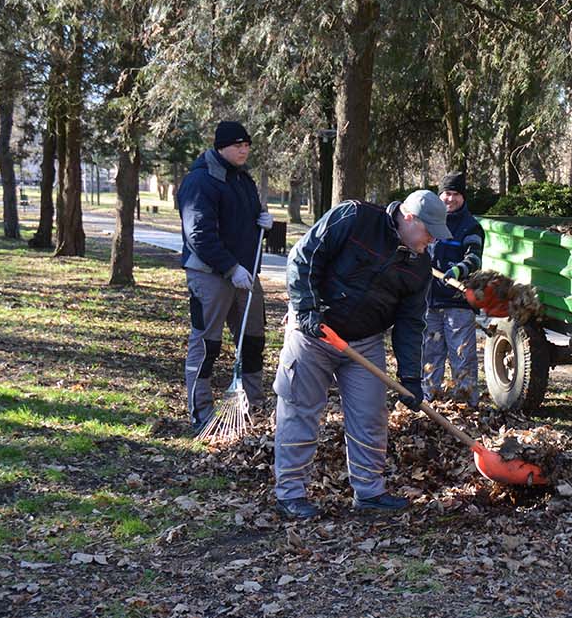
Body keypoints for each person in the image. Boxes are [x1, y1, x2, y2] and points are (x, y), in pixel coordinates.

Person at [271, 190, 451, 520]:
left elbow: (410, 323)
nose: (431, 242)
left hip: (363, 343)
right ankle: (291, 493)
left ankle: (369, 492)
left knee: (370, 417)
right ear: (409, 218)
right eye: (428, 233)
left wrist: (411, 377)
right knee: (299, 411)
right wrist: (307, 308)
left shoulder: (419, 265)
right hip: (314, 333)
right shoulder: (355, 217)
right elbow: (303, 257)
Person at [177, 120, 272, 431]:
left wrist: (263, 223)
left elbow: (245, 225)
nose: (244, 149)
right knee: (207, 344)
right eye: (237, 145)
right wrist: (231, 268)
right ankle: (200, 412)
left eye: (247, 144)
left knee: (253, 340)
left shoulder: (243, 180)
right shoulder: (200, 181)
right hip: (211, 275)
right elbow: (199, 235)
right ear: (221, 147)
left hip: (246, 276)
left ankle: (252, 407)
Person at [423, 172, 486, 403]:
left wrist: (457, 271)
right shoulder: (430, 222)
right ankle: (429, 400)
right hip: (430, 302)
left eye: (455, 194)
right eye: (446, 194)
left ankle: (466, 404)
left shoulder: (471, 227)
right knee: (430, 355)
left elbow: (474, 259)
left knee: (463, 356)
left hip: (458, 304)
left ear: (463, 197)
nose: (450, 199)